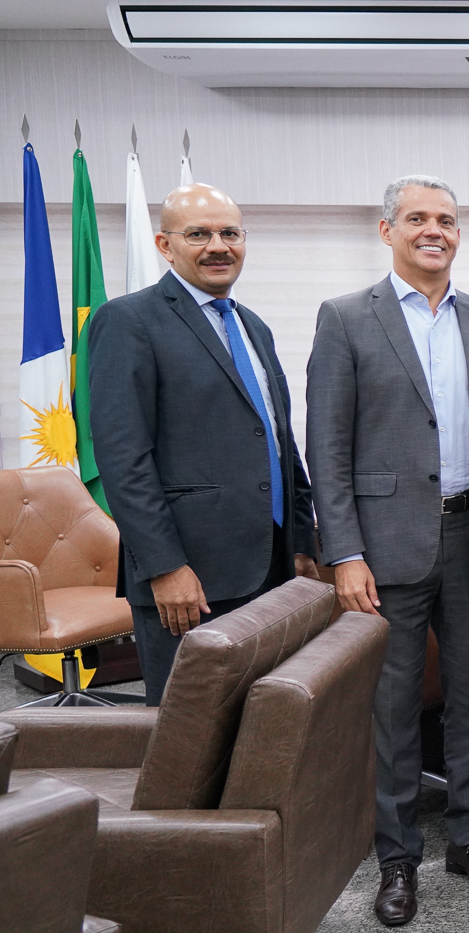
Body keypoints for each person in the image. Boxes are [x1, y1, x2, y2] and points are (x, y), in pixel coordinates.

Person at [306, 175, 469, 927]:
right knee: (394, 711)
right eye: (416, 219)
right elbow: (328, 448)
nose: (432, 230)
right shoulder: (345, 320)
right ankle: (397, 858)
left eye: (444, 220)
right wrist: (343, 553)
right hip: (385, 547)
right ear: (388, 231)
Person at [88, 183, 318, 703]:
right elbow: (124, 460)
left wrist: (302, 541)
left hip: (271, 568)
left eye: (229, 232)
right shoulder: (128, 321)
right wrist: (165, 567)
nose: (219, 246)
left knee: (262, 732)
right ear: (165, 245)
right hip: (190, 577)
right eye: (198, 233)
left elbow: (277, 437)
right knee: (190, 740)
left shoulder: (251, 325)